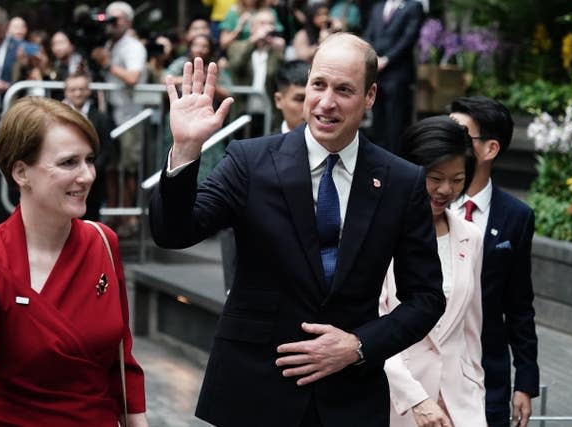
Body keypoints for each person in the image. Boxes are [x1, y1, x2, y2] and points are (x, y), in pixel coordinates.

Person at [150, 32, 445, 426]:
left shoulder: (400, 181)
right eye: (318, 85)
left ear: (370, 96)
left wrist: (359, 345)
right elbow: (174, 233)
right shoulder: (249, 161)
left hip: (349, 396)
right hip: (255, 390)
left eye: (344, 90)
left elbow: (426, 297)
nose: (326, 102)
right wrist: (185, 150)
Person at [0, 96, 147, 426]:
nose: (87, 175)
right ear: (21, 171)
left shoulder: (103, 241)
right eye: (68, 163)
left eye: (89, 160)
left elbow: (122, 360)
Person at [380, 115, 485, 427]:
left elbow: (471, 330)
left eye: (456, 180)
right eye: (434, 177)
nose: (445, 190)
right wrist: (416, 398)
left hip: (460, 404)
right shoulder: (378, 233)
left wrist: (475, 388)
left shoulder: (470, 235)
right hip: (395, 400)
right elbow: (371, 323)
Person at [449, 96, 539, 427]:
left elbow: (519, 303)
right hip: (428, 368)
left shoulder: (516, 216)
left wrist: (526, 381)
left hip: (488, 373)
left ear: (490, 149)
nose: (449, 142)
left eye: (460, 135)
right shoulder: (425, 202)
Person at [91, 1, 148, 237]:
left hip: (130, 115)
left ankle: (130, 217)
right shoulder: (108, 44)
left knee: (128, 169)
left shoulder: (133, 46)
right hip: (111, 115)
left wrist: (107, 64)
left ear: (129, 21)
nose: (112, 24)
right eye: (109, 19)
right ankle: (115, 214)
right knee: (113, 168)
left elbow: (133, 77)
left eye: (118, 19)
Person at [363, 0, 423, 154]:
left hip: (397, 72)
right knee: (377, 119)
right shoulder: (377, 6)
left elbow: (408, 38)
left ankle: (393, 158)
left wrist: (387, 59)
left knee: (395, 120)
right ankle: (376, 156)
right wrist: (372, 57)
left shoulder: (413, 6)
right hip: (376, 71)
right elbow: (369, 33)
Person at [226, 8, 285, 136]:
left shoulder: (275, 50)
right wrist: (253, 41)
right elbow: (236, 65)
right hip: (242, 111)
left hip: (268, 112)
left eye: (271, 24)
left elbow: (280, 78)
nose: (267, 27)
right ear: (252, 27)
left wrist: (280, 53)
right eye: (262, 23)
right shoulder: (238, 46)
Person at [63, 72, 114, 221]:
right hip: (62, 183)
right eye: (73, 89)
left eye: (81, 89)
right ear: (66, 92)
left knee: (90, 225)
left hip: (93, 185)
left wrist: (89, 171)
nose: (78, 93)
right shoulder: (55, 117)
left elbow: (107, 150)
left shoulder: (100, 118)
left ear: (89, 90)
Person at [273, 59, 308, 132]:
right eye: (300, 99)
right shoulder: (267, 143)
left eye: (312, 98)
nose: (307, 107)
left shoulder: (332, 142)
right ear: (279, 100)